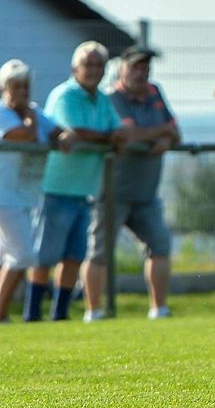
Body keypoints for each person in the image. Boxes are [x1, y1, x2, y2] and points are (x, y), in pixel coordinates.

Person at [24, 41, 125, 322]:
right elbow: (76, 131)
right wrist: (106, 137)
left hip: (85, 190)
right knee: (44, 256)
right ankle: (32, 314)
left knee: (73, 257)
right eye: (88, 64)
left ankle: (60, 313)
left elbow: (118, 131)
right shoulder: (65, 95)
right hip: (55, 188)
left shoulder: (102, 99)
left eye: (99, 65)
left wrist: (106, 135)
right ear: (74, 68)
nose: (94, 70)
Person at [82, 47, 180, 322]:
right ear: (122, 68)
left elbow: (176, 132)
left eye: (145, 67)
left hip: (147, 193)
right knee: (99, 252)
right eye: (136, 66)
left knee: (160, 246)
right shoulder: (112, 98)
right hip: (112, 192)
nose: (142, 72)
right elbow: (128, 135)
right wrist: (161, 133)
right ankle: (93, 312)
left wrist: (166, 138)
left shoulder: (155, 94)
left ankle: (159, 309)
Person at [0, 60, 64, 322]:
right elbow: (26, 135)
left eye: (26, 86)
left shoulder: (36, 113)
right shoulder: (5, 113)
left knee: (10, 254)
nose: (22, 92)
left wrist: (63, 138)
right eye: (16, 86)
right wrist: (29, 116)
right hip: (4, 197)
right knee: (24, 253)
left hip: (25, 194)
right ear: (4, 88)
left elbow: (58, 132)